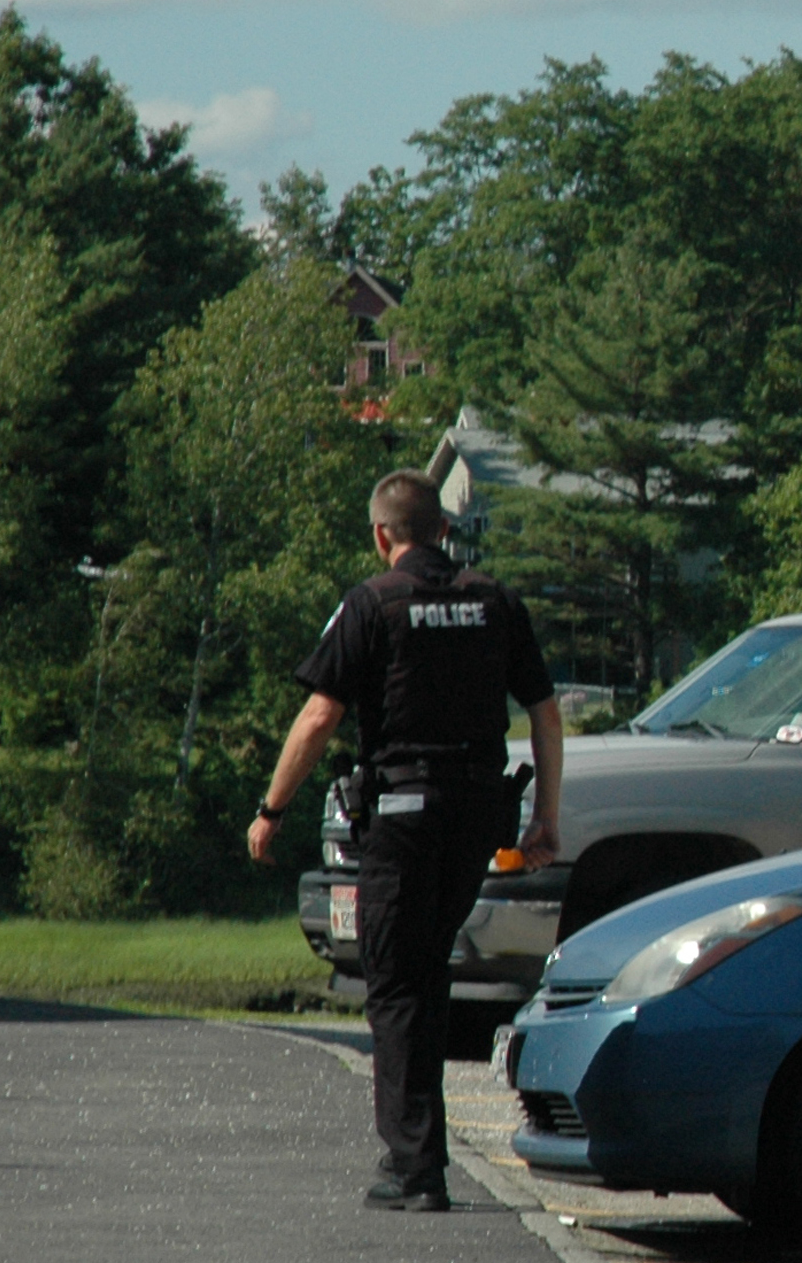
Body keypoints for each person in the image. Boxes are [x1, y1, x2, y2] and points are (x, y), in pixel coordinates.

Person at [247, 470, 564, 1212]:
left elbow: (321, 716)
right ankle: (423, 1156)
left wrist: (272, 809)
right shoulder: (495, 601)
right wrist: (546, 819)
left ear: (382, 535)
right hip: (476, 823)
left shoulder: (373, 603)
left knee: (394, 986)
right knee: (425, 976)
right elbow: (545, 714)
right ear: (445, 531)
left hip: (403, 817)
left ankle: (413, 1169)